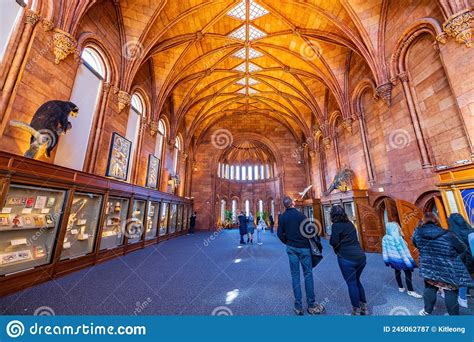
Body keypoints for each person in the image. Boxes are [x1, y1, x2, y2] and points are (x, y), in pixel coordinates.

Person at [412, 212, 473, 316]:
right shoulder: (448, 234)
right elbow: (462, 248)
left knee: (430, 287)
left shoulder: (417, 233)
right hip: (448, 268)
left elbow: (415, 244)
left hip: (429, 266)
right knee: (450, 291)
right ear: (436, 221)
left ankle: (427, 311)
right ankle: (454, 317)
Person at [277, 196, 325, 315]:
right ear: (293, 203)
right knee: (308, 274)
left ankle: (298, 306)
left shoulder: (282, 217)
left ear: (285, 205)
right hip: (304, 248)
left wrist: (287, 242)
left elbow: (279, 234)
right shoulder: (301, 215)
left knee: (295, 276)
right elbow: (310, 230)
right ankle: (311, 305)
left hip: (291, 248)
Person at [329, 205, 368, 315]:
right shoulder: (350, 223)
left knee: (351, 283)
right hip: (360, 256)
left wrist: (334, 243)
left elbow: (334, 242)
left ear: (332, 215)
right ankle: (364, 307)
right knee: (357, 281)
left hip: (347, 258)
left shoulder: (336, 226)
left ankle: (356, 310)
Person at [382, 222, 422, 298]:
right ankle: (410, 291)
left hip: (393, 259)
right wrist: (408, 263)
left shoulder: (385, 237)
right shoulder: (398, 238)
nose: (399, 228)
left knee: (397, 271)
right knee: (408, 272)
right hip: (402, 259)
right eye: (397, 227)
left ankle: (400, 287)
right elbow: (402, 251)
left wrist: (386, 260)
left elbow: (385, 250)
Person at [447, 213, 474, 308]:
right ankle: (466, 292)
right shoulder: (471, 231)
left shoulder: (451, 234)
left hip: (460, 259)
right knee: (468, 274)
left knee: (462, 277)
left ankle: (462, 297)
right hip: (471, 258)